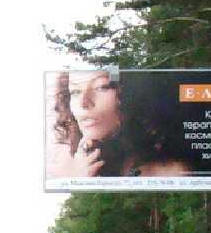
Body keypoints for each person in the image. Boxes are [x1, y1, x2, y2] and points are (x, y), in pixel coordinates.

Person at [47, 70, 190, 179]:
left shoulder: (172, 173)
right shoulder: (63, 170)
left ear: (129, 95)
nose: (84, 103)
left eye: (102, 87)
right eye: (76, 91)